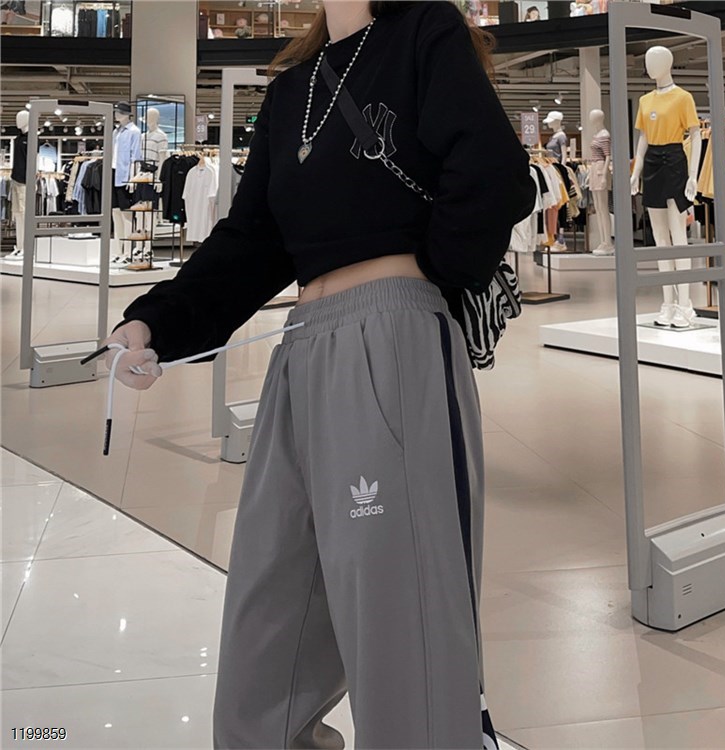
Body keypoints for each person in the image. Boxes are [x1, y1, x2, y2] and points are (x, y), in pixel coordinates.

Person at [102, 1, 535, 747]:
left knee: (404, 643)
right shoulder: (292, 87)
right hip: (301, 351)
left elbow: (494, 172)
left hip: (392, 341)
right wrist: (158, 322)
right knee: (265, 639)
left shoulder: (422, 32)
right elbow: (253, 239)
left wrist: (424, 276)